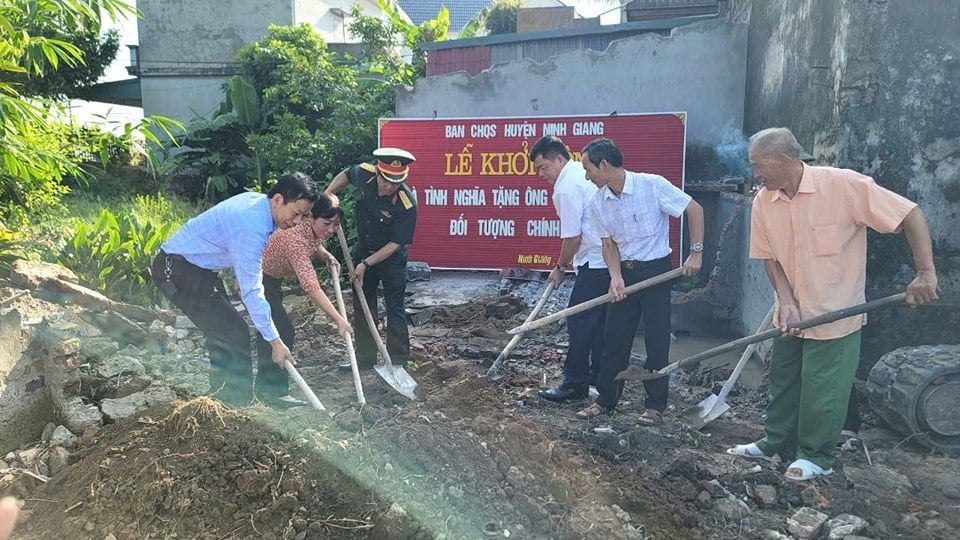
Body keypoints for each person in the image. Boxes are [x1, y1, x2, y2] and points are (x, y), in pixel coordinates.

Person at [727, 127, 938, 481]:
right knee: (784, 382)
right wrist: (787, 301)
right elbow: (770, 258)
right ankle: (775, 443)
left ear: (784, 159)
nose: (756, 174)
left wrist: (926, 273)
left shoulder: (842, 185)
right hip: (792, 313)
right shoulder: (764, 200)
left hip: (835, 312)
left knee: (823, 390)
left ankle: (816, 457)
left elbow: (910, 214)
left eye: (759, 165)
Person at [151, 172, 318, 406]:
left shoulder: (261, 206)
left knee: (225, 331)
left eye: (303, 216)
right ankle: (231, 406)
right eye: (296, 213)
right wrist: (275, 342)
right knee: (232, 332)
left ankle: (225, 401)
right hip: (178, 270)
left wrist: (238, 275)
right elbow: (252, 290)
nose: (297, 222)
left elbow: (233, 248)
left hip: (198, 269)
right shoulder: (251, 223)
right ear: (278, 199)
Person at [576, 138, 705, 425]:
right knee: (614, 339)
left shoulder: (652, 185)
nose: (587, 176)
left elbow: (694, 209)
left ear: (604, 164)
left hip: (657, 273)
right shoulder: (598, 202)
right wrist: (616, 278)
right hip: (626, 274)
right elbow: (608, 245)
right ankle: (606, 400)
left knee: (657, 341)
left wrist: (695, 253)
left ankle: (655, 406)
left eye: (588, 169)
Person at [528, 135, 610, 402]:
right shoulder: (579, 175)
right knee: (599, 324)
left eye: (544, 167)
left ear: (560, 159)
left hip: (596, 261)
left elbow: (573, 238)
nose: (541, 174)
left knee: (579, 321)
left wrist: (560, 267)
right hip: (606, 260)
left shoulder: (566, 186)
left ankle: (575, 383)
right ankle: (599, 377)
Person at [324, 148, 417, 371]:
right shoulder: (363, 174)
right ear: (377, 173)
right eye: (386, 181)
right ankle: (365, 358)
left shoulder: (407, 204)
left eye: (396, 183)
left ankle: (397, 361)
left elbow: (396, 243)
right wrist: (327, 196)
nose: (390, 187)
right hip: (364, 250)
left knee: (395, 307)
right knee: (363, 304)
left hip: (391, 258)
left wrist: (366, 265)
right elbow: (346, 174)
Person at [258, 193, 353, 407]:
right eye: (326, 223)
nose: (330, 229)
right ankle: (273, 393)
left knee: (272, 330)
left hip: (272, 280)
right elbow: (311, 286)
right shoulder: (295, 240)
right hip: (259, 280)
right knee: (280, 332)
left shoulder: (308, 230)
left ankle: (267, 389)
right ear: (311, 217)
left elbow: (314, 243)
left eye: (336, 224)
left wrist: (325, 255)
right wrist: (338, 319)